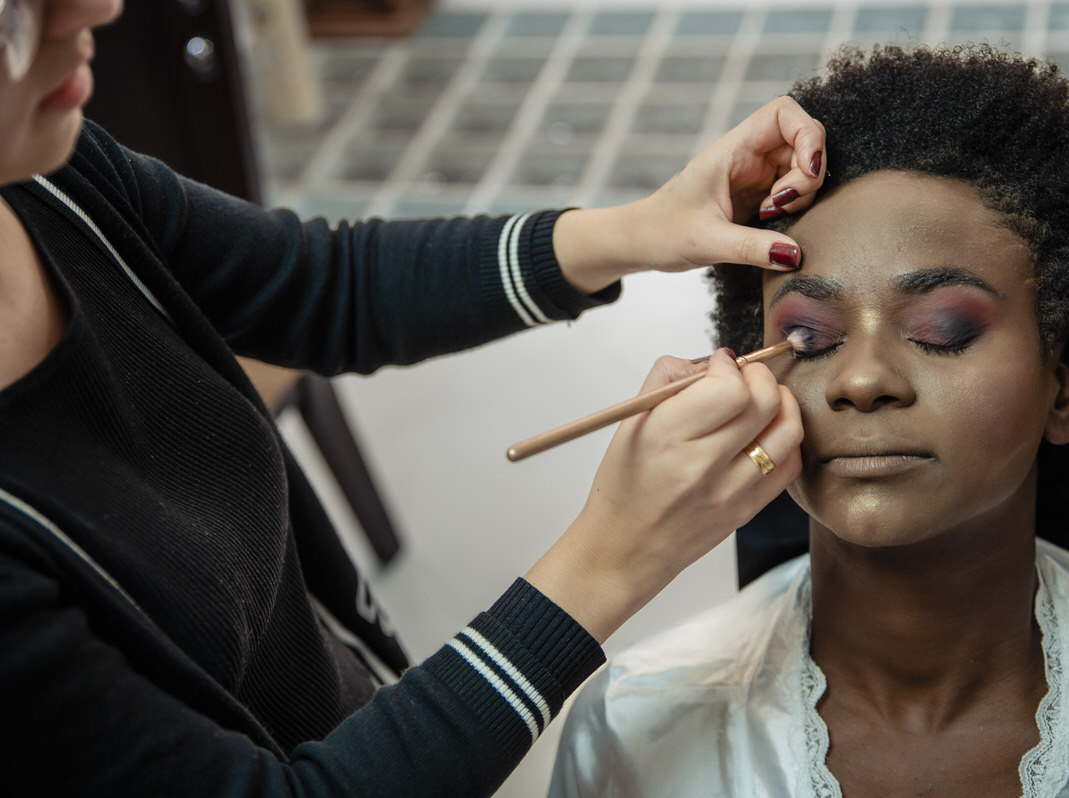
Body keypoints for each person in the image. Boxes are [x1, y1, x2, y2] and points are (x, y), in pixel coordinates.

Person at [0, 1, 827, 794]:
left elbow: (320, 286)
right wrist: (614, 553)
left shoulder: (42, 180)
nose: (96, 7)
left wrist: (637, 229)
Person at [550, 44, 1069, 797]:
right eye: (807, 337)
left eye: (942, 330)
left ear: (1062, 391)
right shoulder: (628, 729)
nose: (861, 381)